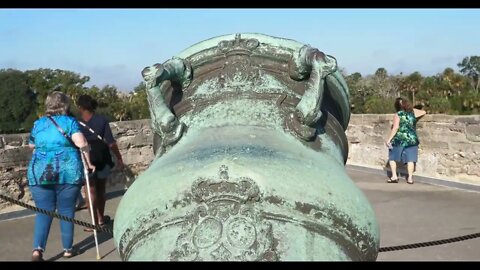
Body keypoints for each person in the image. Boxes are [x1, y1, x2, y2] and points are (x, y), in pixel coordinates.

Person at [27, 91, 95, 261]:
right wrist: (88, 162)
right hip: (68, 171)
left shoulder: (38, 124)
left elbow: (31, 145)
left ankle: (37, 250)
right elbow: (82, 143)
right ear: (65, 105)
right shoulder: (69, 122)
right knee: (66, 210)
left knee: (43, 211)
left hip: (40, 171)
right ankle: (68, 249)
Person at [76, 94, 124, 231]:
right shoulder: (101, 120)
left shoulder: (76, 123)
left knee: (90, 191)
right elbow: (110, 142)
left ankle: (94, 223)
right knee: (101, 189)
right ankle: (101, 219)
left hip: (86, 158)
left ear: (80, 107)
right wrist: (119, 157)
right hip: (102, 156)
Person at [385, 97, 426, 184]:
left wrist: (388, 139)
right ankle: (410, 178)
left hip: (399, 139)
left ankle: (394, 176)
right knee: (410, 159)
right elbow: (423, 112)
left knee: (392, 157)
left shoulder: (398, 114)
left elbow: (395, 128)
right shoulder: (413, 113)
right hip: (412, 139)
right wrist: (410, 108)